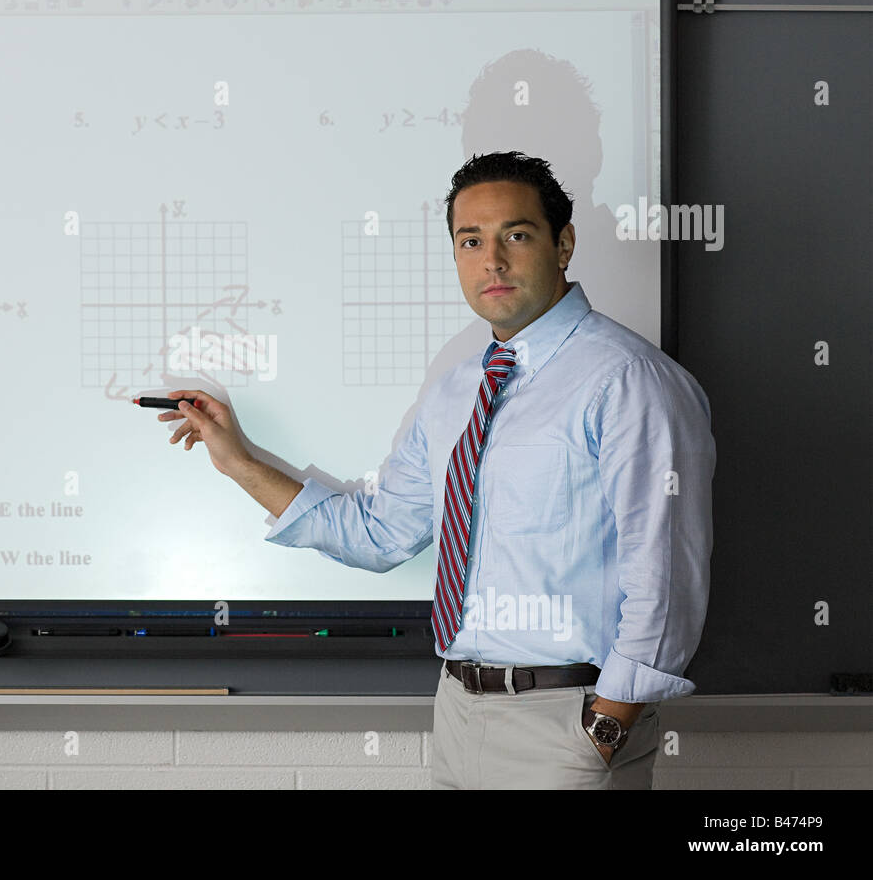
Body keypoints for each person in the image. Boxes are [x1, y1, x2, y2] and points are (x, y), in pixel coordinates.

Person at [159, 151, 715, 789]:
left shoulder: (628, 380)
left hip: (570, 723)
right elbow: (381, 533)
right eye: (470, 240)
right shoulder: (456, 393)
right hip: (457, 713)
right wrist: (239, 462)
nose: (493, 261)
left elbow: (665, 574)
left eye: (517, 235)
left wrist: (606, 727)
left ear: (563, 244)